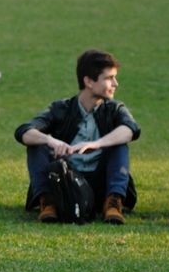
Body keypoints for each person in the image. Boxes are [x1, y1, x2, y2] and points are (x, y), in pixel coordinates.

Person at [14, 49, 140, 224]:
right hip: (67, 181)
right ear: (88, 81)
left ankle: (113, 204)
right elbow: (24, 131)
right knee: (37, 144)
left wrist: (97, 144)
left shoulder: (115, 109)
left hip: (102, 181)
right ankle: (48, 203)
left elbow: (131, 130)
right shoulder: (61, 108)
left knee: (119, 144)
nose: (115, 83)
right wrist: (51, 140)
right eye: (109, 78)